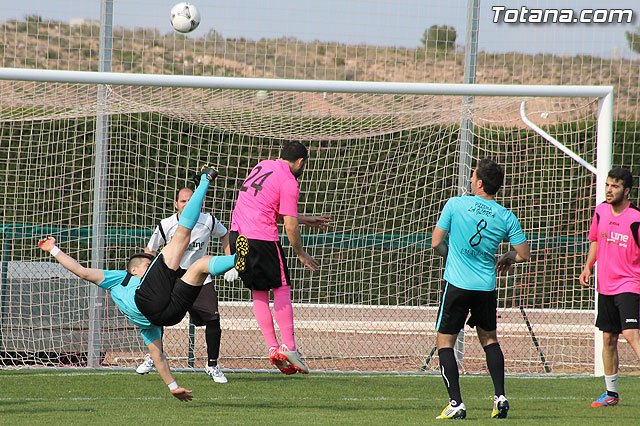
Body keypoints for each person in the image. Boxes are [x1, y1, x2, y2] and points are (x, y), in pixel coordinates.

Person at [37, 165, 242, 401]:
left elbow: (159, 356)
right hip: (152, 302)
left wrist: (173, 386)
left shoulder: (146, 324)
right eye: (145, 265)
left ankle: (240, 259)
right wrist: (53, 249)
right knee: (181, 236)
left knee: (201, 265)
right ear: (134, 270)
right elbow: (82, 271)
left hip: (166, 315)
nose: (149, 266)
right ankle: (204, 181)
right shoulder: (120, 279)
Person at [431, 158, 531, 420]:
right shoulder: (505, 215)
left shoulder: (456, 204)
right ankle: (500, 397)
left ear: (479, 182)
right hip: (485, 288)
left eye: (473, 175)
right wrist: (508, 257)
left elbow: (436, 242)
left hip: (456, 284)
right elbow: (524, 254)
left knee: (445, 343)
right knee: (489, 341)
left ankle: (456, 403)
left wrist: (450, 256)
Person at [229, 141, 331, 374]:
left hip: (238, 235)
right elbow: (289, 225)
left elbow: (265, 206)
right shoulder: (289, 181)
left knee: (259, 291)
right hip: (261, 239)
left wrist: (304, 218)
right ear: (301, 162)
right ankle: (290, 347)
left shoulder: (262, 166)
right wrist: (301, 253)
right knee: (282, 287)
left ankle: (273, 348)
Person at [135, 187, 236, 384]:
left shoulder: (208, 220)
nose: (187, 204)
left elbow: (225, 234)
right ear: (176, 204)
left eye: (191, 200)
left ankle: (212, 364)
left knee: (213, 317)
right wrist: (147, 273)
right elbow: (150, 249)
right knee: (157, 315)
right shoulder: (166, 225)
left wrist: (229, 260)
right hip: (171, 277)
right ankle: (154, 356)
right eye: (183, 201)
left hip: (199, 277)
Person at [579, 167, 640, 408]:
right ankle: (611, 394)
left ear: (626, 191)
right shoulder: (601, 211)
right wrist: (587, 266)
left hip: (630, 284)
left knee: (631, 334)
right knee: (608, 338)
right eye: (607, 185)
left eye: (614, 186)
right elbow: (595, 240)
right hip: (606, 286)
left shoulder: (636, 218)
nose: (609, 190)